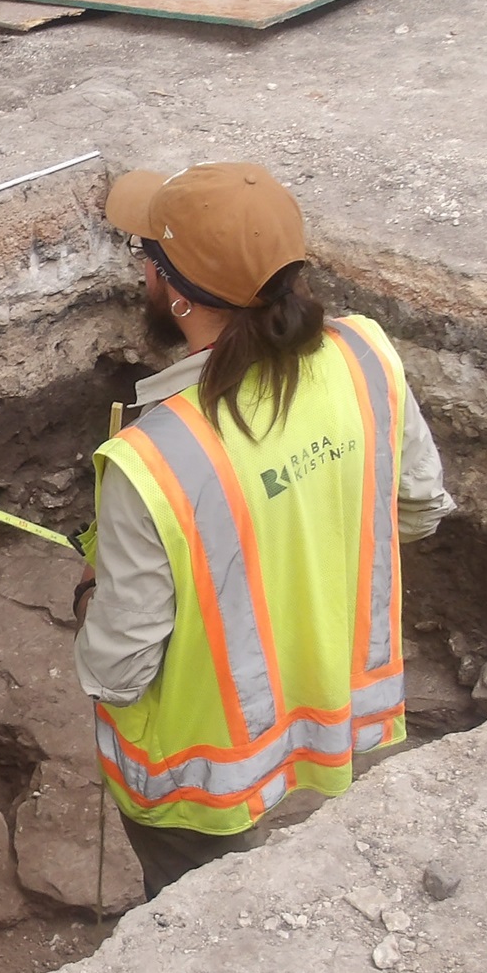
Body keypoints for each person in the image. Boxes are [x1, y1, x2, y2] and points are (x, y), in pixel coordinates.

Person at [74, 164, 453, 897]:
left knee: (204, 917)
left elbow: (118, 673)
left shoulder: (150, 462)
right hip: (335, 714)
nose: (143, 275)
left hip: (201, 781)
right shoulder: (368, 356)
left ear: (174, 293)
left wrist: (90, 596)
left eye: (147, 258)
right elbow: (419, 509)